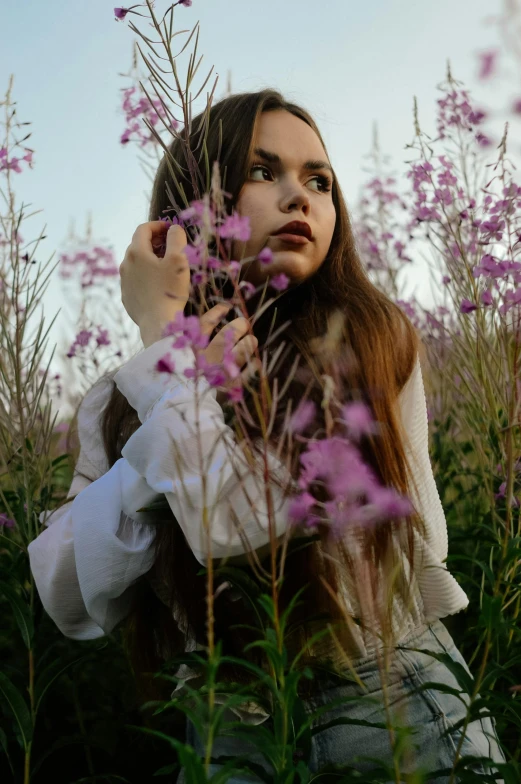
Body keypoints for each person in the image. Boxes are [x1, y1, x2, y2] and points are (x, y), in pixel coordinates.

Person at [28, 89, 506, 782]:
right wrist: (174, 405)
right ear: (193, 207)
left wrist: (167, 344)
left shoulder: (368, 339)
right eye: (263, 172)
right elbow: (67, 592)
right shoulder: (133, 391)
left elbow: (244, 528)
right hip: (229, 731)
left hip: (391, 699)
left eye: (319, 181)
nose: (298, 197)